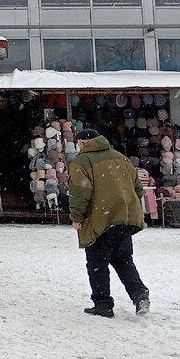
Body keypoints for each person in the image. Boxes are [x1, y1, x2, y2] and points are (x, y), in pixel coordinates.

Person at [68, 128, 149, 318]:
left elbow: (81, 193)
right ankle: (139, 294)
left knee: (97, 263)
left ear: (82, 143)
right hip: (125, 217)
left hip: (101, 219)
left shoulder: (81, 162)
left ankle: (103, 304)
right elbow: (138, 188)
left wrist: (77, 217)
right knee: (123, 259)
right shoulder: (121, 157)